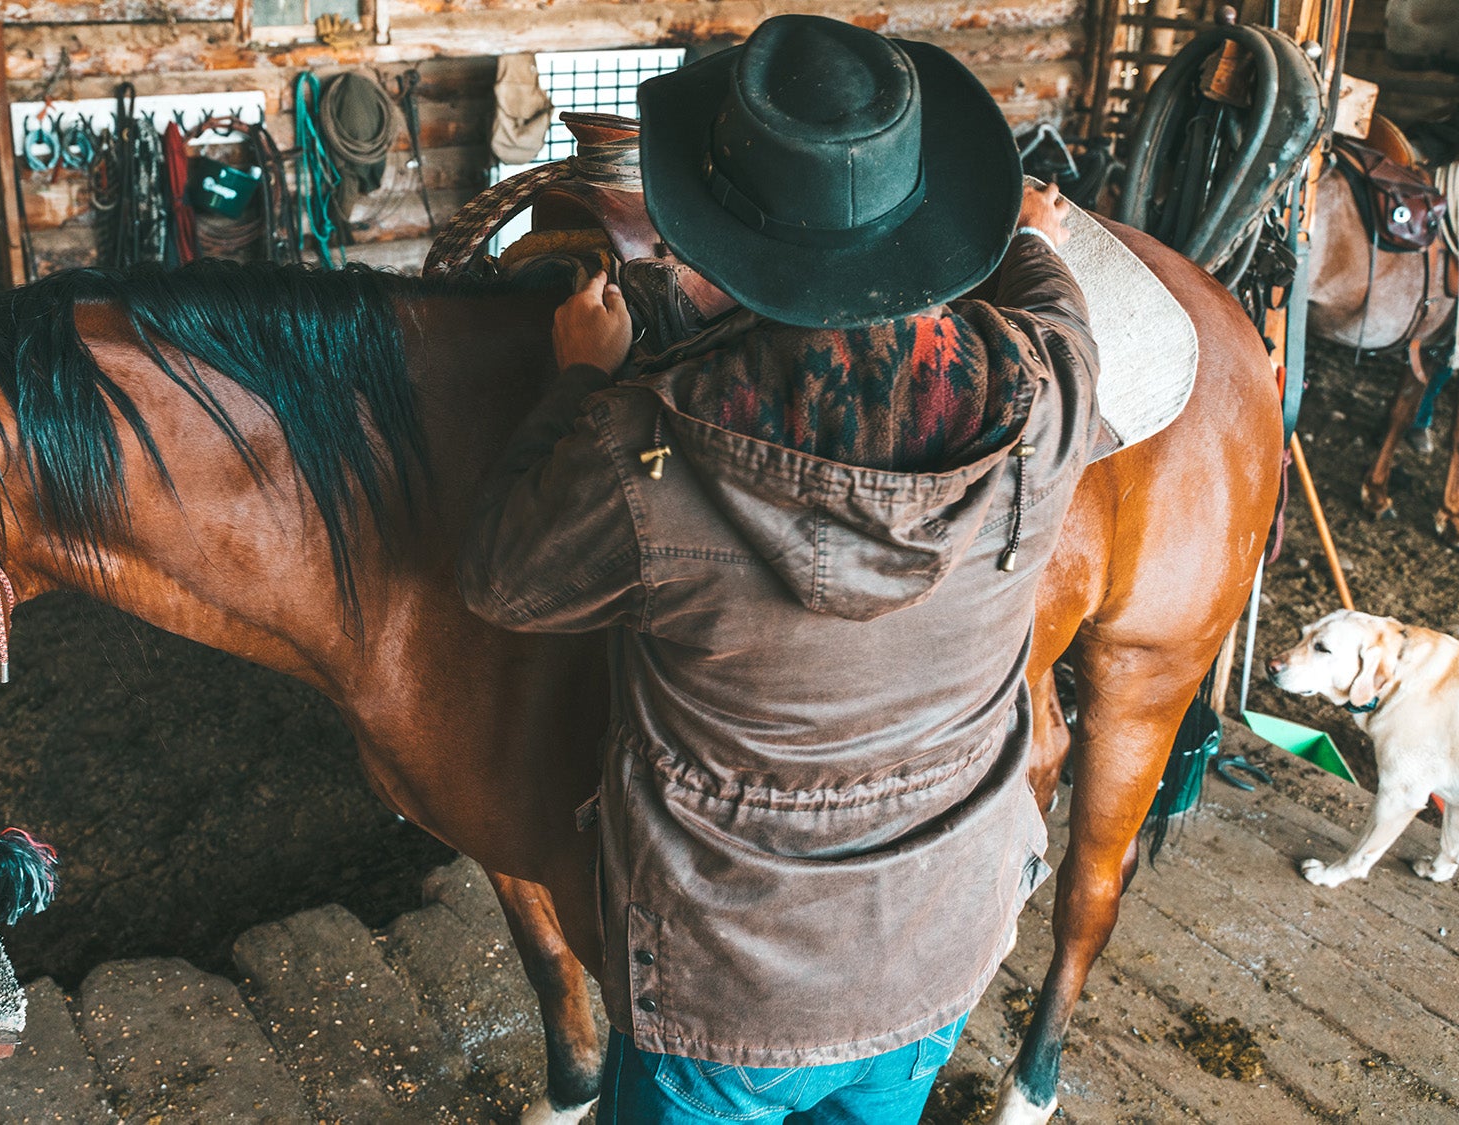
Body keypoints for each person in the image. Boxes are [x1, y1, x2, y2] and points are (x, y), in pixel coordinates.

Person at [457, 14, 1105, 1125]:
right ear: (919, 220)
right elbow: (1060, 310)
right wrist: (1030, 239)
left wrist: (577, 376)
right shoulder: (1047, 391)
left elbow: (501, 582)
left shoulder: (640, 453)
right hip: (938, 950)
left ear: (711, 247)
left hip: (730, 992)